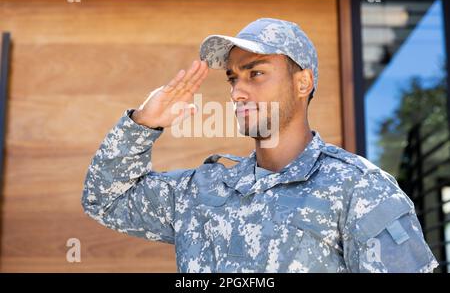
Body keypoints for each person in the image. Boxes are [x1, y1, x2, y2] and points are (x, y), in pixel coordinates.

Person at [82, 18, 438, 273]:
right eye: (233, 79)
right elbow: (106, 199)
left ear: (303, 83)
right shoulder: (202, 192)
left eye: (256, 73)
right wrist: (144, 123)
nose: (237, 91)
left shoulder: (359, 190)